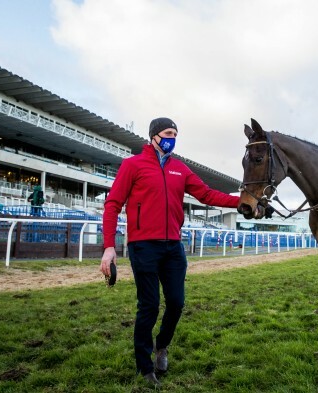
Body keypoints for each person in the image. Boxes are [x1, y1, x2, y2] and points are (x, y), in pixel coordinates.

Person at [100, 117, 240, 387]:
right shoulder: (133, 165)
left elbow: (207, 195)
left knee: (176, 302)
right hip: (143, 246)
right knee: (149, 306)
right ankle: (145, 367)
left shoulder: (179, 168)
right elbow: (113, 204)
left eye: (175, 133)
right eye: (167, 132)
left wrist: (242, 201)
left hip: (173, 246)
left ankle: (161, 347)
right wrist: (109, 247)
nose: (172, 137)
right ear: (153, 135)